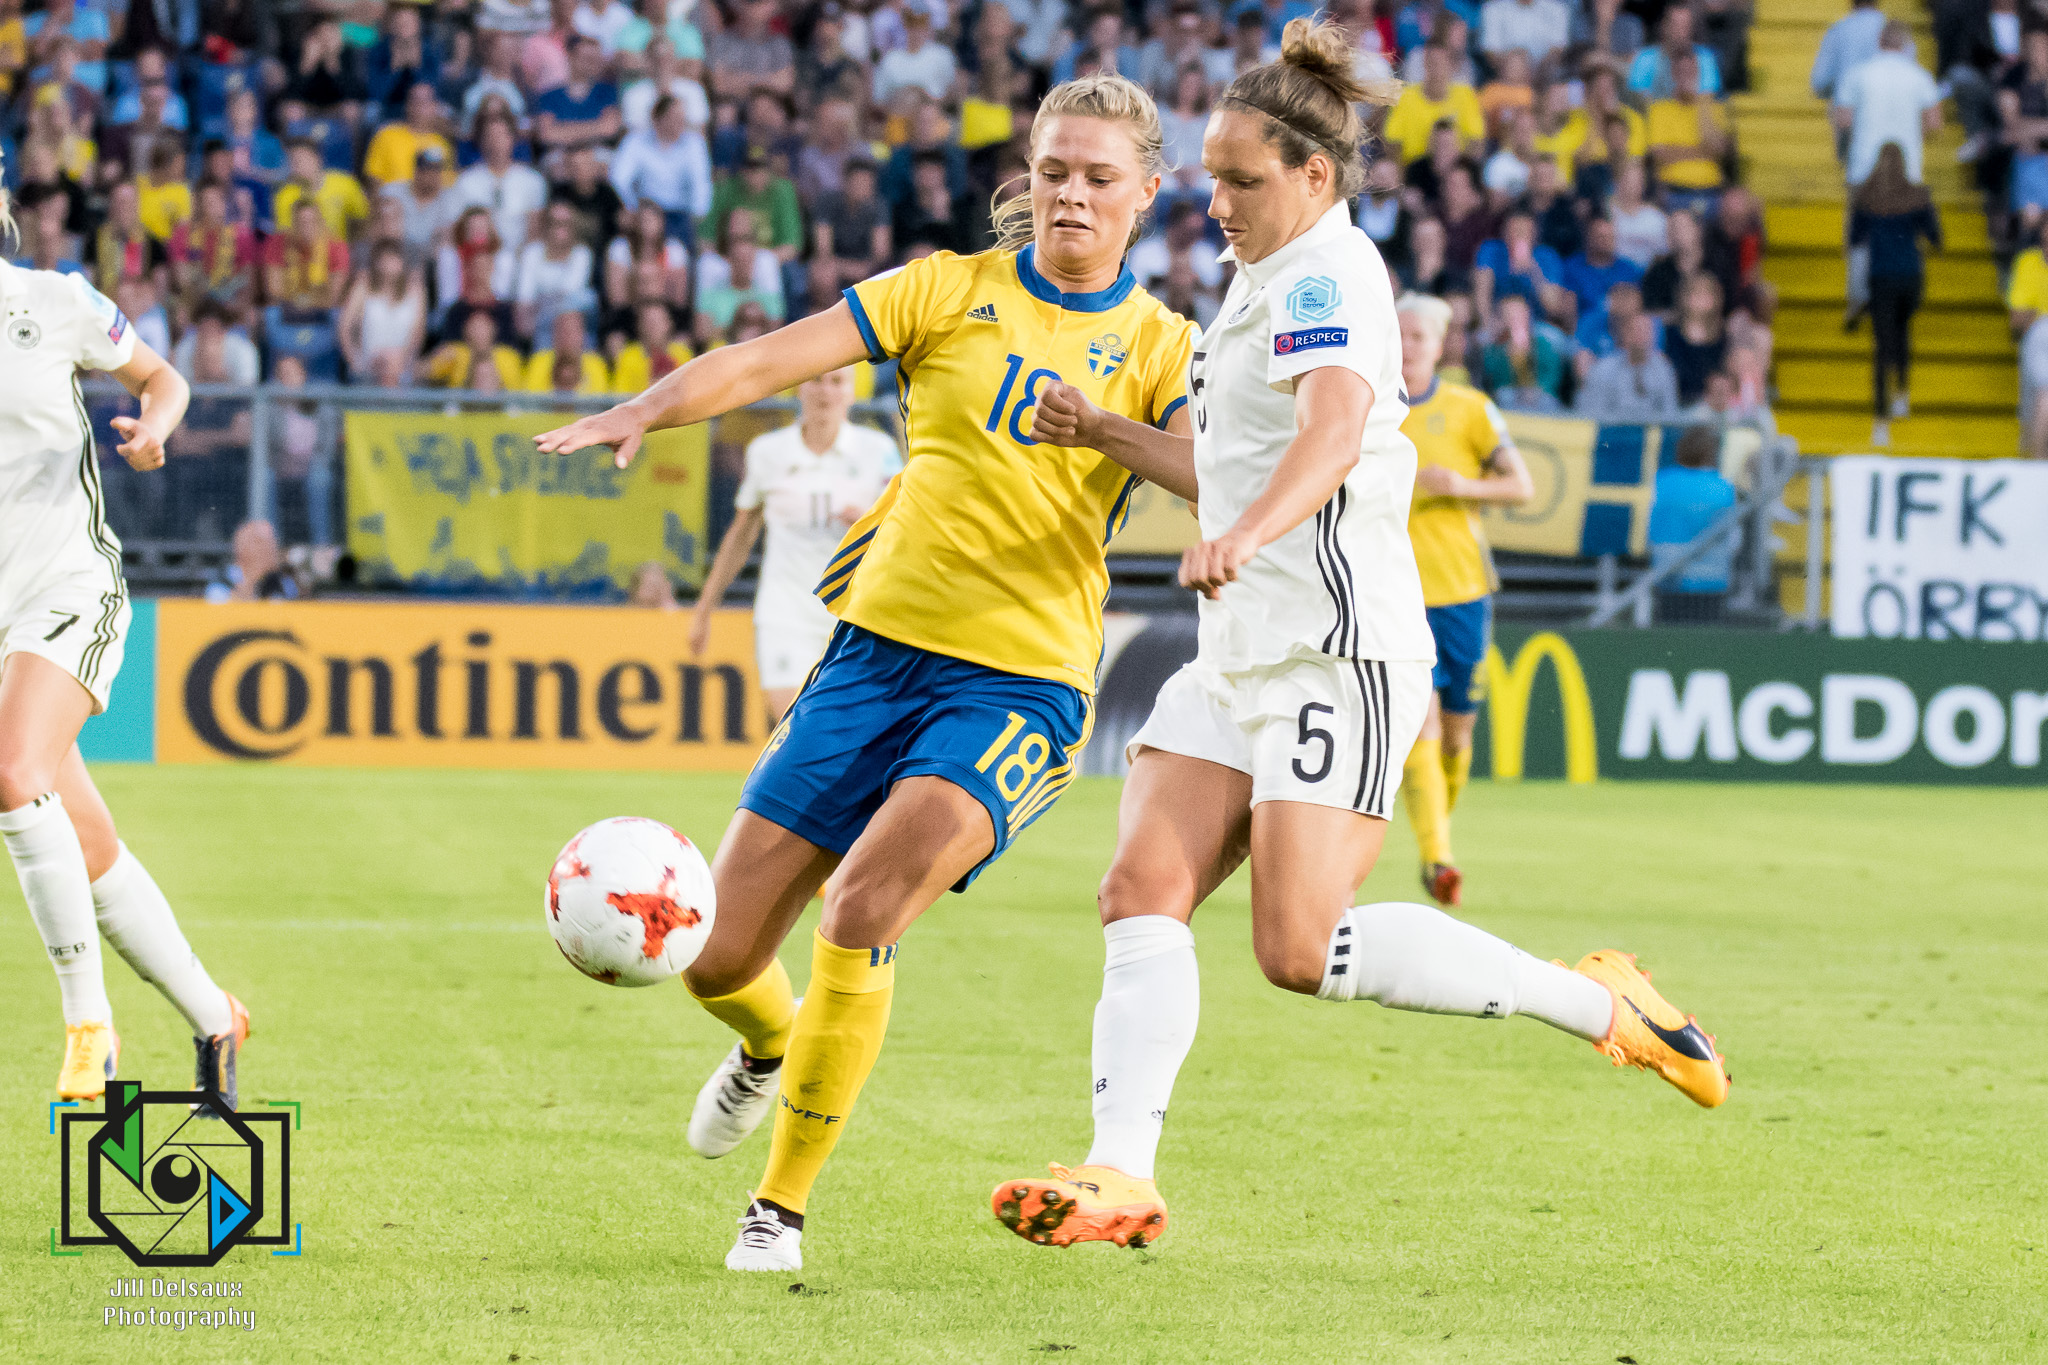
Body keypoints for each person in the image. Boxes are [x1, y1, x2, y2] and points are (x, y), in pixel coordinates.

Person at [989, 19, 1727, 1257]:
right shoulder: (1261, 275)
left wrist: (1242, 533)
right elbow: (1232, 467)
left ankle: (1600, 1004)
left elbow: (1329, 436)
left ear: (1313, 174)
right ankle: (1121, 1174)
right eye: (1211, 178)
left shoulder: (1328, 277)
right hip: (1239, 650)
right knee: (1137, 889)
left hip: (1336, 654)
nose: (1213, 203)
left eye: (1238, 180)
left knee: (1297, 950)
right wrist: (1104, 431)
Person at [533, 70, 1197, 1274]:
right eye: (1053, 170)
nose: (1071, 195)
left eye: (1100, 178)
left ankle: (776, 1209)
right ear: (1029, 175)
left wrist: (1103, 428)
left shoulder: (1163, 346)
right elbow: (767, 360)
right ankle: (769, 1046)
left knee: (861, 907)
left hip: (1018, 684)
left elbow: (1217, 479)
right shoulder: (945, 289)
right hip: (871, 657)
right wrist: (646, 408)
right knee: (715, 954)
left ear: (1146, 193)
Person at [0, 198, 254, 1108]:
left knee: (10, 769)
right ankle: (217, 1013)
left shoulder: (54, 300)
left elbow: (163, 378)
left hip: (68, 583)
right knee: (87, 841)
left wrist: (156, 429)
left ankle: (87, 1024)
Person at [1392, 294, 1531, 908]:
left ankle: (1436, 838)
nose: (1406, 345)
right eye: (1398, 333)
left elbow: (1521, 486)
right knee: (1418, 722)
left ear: (1439, 344)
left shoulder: (1469, 408)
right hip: (1396, 595)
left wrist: (1459, 485)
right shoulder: (1366, 407)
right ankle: (1439, 859)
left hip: (1464, 593)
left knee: (1455, 736)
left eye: (1417, 336)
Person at [690, 367, 900, 726]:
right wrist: (704, 608)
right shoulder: (768, 452)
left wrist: (869, 521)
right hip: (785, 612)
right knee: (793, 728)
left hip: (856, 616)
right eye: (817, 380)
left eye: (837, 382)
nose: (825, 392)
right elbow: (741, 534)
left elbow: (904, 528)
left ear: (852, 392)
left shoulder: (878, 451)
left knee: (847, 733)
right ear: (800, 387)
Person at [1849, 143, 1940, 445]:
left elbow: (1854, 238)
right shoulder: (1917, 196)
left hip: (1881, 278)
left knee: (1882, 346)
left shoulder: (1866, 197)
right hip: (1911, 276)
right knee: (1902, 332)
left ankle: (1881, 420)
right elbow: (1936, 238)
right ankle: (1901, 391)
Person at [1831, 21, 1941, 189]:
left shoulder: (1857, 74)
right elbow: (1934, 123)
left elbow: (1844, 121)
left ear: (1879, 41)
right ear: (1906, 44)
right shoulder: (1921, 77)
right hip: (1907, 169)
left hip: (1863, 168)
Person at [1647, 425, 1737, 621]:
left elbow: (1648, 529)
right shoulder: (1724, 488)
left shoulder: (1660, 481)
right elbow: (1734, 542)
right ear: (1711, 453)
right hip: (1712, 580)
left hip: (1668, 576)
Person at [1577, 310, 1681, 420]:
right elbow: (1594, 412)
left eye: (1647, 330)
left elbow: (1670, 412)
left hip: (1653, 428)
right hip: (1612, 428)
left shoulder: (1663, 369)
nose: (1642, 336)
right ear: (1625, 334)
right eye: (1637, 330)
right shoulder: (1603, 369)